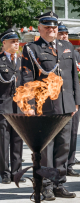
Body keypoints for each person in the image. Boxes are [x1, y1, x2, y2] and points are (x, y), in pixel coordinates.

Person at [21, 12, 80, 200]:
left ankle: (59, 184)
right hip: (44, 107)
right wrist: (29, 104)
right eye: (47, 26)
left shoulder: (67, 46)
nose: (51, 29)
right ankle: (45, 186)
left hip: (66, 106)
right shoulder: (32, 49)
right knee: (46, 149)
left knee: (63, 146)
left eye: (54, 27)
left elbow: (73, 78)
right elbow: (27, 78)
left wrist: (76, 101)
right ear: (39, 28)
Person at [56, 22, 80, 177]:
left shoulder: (74, 52)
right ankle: (60, 164)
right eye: (61, 33)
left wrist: (79, 101)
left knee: (72, 133)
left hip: (73, 99)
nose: (64, 36)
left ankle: (70, 163)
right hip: (59, 100)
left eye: (65, 33)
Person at [0, 29, 26, 184]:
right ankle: (4, 172)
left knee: (18, 141)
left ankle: (17, 172)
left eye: (17, 41)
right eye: (12, 41)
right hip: (4, 107)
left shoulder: (22, 61)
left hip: (19, 108)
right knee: (3, 141)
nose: (16, 44)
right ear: (4, 43)